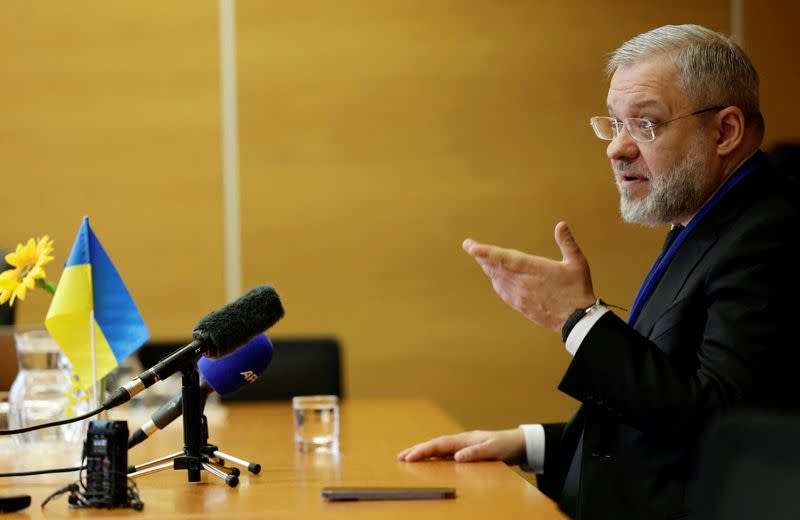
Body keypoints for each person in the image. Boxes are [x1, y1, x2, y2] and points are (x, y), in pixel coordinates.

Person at [397, 24, 800, 519]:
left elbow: (721, 426)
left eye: (644, 124)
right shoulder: (706, 220)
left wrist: (580, 320)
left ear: (725, 131)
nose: (617, 148)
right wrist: (531, 442)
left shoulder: (772, 234)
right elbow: (666, 399)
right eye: (614, 124)